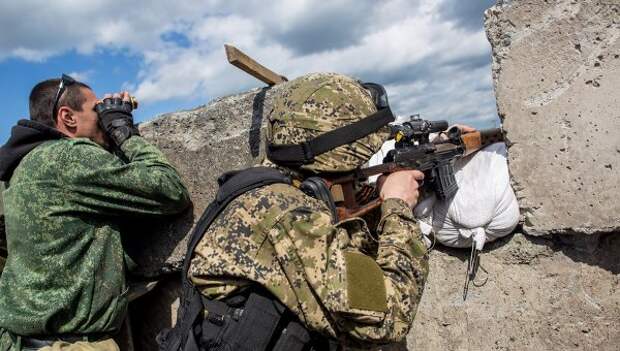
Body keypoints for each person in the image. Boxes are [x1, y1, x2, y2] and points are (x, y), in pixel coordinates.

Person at [183, 73, 429, 350]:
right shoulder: (286, 214)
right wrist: (398, 206)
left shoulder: (272, 186)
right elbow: (389, 318)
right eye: (358, 164)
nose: (361, 174)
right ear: (336, 160)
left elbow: (340, 240)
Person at [0, 74, 191, 350]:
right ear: (67, 118)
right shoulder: (68, 156)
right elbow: (170, 190)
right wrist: (123, 131)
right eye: (96, 110)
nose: (103, 118)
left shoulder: (24, 165)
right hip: (68, 344)